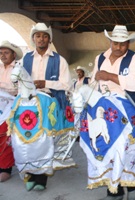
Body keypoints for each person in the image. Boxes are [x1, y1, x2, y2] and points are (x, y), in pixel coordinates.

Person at [88, 25, 135, 200]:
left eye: (123, 44)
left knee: (131, 145)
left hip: (127, 101)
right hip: (104, 104)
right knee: (105, 145)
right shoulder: (100, 58)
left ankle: (132, 183)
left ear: (128, 43)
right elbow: (93, 81)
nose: (119, 47)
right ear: (110, 41)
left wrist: (109, 76)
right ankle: (114, 189)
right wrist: (95, 82)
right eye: (115, 43)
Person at [20, 22, 75, 191]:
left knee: (45, 140)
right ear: (33, 39)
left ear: (49, 39)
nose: (41, 39)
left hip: (51, 101)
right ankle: (31, 173)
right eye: (38, 36)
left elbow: (66, 85)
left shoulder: (60, 60)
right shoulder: (26, 58)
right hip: (29, 102)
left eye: (44, 36)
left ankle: (40, 177)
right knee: (28, 139)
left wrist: (45, 83)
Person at [0, 40, 23, 182]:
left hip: (12, 106)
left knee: (5, 135)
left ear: (13, 54)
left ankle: (5, 168)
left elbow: (21, 88)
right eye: (1, 53)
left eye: (6, 53)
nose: (3, 55)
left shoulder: (19, 69)